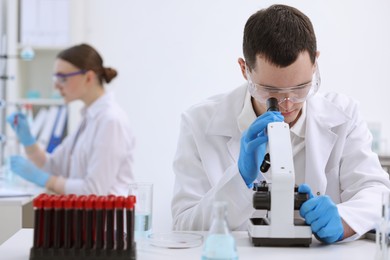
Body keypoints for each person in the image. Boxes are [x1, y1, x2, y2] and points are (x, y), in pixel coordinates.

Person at [171, 4, 390, 243]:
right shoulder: (199, 123)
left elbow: (377, 193)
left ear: (315, 64)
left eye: (300, 88)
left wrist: (344, 219)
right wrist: (238, 180)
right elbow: (184, 226)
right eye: (271, 91)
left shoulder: (343, 116)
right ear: (245, 70)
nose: (287, 104)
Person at [7, 43, 135, 195]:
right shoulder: (88, 117)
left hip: (109, 217)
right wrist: (28, 142)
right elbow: (53, 166)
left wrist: (46, 180)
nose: (56, 86)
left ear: (88, 77)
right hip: (88, 215)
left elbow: (94, 190)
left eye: (62, 78)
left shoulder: (111, 121)